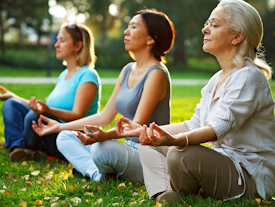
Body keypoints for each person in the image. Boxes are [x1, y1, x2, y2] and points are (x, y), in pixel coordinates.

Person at [116, 0, 275, 203]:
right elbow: (194, 124)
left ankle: (187, 187)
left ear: (237, 36)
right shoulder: (216, 79)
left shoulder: (248, 77)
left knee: (179, 154)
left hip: (249, 175)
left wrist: (175, 141)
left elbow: (216, 129)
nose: (204, 29)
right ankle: (165, 194)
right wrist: (143, 131)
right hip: (224, 163)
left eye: (214, 24)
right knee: (149, 145)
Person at [32, 9, 175, 181]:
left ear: (151, 39)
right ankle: (97, 174)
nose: (126, 31)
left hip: (148, 156)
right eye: (128, 26)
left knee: (102, 148)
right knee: (65, 137)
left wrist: (105, 136)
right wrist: (59, 127)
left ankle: (94, 169)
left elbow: (136, 126)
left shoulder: (156, 74)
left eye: (134, 27)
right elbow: (105, 116)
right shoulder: (128, 70)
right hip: (126, 150)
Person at [0, 23, 101, 161]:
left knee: (37, 116)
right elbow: (42, 108)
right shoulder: (63, 75)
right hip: (49, 132)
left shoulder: (88, 75)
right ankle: (18, 148)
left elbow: (78, 115)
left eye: (62, 40)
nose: (56, 45)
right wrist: (14, 96)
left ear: (78, 46)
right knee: (11, 104)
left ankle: (21, 145)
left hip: (70, 138)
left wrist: (46, 110)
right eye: (57, 40)